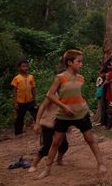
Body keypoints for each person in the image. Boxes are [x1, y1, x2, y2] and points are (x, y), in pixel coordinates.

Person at [36, 49, 106, 179]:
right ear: (69, 62)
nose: (81, 64)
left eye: (81, 61)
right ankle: (47, 169)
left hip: (81, 113)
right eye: (79, 61)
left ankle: (101, 164)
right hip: (63, 115)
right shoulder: (60, 78)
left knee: (90, 139)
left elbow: (77, 94)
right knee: (56, 142)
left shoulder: (81, 78)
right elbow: (50, 95)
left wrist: (83, 106)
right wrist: (64, 106)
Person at [30, 93, 68, 173]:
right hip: (47, 123)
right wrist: (37, 123)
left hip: (59, 124)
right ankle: (34, 164)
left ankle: (59, 160)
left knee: (64, 145)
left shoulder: (66, 93)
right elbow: (42, 107)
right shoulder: (52, 94)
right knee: (47, 147)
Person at [11, 60, 37, 136]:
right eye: (23, 66)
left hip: (30, 100)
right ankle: (18, 132)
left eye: (26, 66)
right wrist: (15, 102)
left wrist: (34, 100)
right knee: (19, 117)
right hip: (20, 102)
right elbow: (14, 91)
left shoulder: (31, 77)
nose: (25, 68)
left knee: (36, 114)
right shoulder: (16, 78)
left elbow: (33, 88)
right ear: (19, 68)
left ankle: (39, 128)